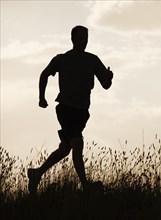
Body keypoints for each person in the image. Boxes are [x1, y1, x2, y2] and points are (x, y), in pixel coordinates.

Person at [27, 25, 113, 193]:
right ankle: (86, 185)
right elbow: (44, 74)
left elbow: (106, 84)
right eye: (80, 38)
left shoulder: (93, 60)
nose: (84, 41)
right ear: (72, 39)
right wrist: (41, 98)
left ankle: (37, 173)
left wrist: (109, 78)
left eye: (86, 38)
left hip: (82, 112)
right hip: (66, 108)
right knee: (77, 144)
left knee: (65, 149)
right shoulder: (62, 59)